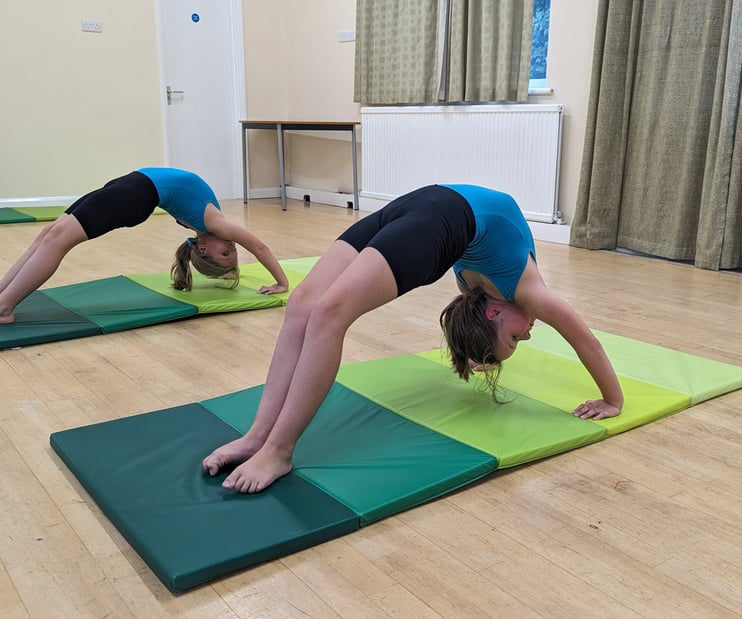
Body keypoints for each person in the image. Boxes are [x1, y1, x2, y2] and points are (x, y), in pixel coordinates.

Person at [202, 184, 624, 493]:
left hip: (422, 202)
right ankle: (270, 445)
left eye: (518, 337)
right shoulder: (531, 293)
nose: (529, 331)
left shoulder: (475, 292)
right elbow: (587, 342)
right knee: (318, 310)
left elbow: (473, 320)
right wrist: (612, 399)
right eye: (517, 338)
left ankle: (265, 441)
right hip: (435, 216)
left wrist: (476, 351)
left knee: (310, 307)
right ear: (493, 311)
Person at [0, 167, 289, 324]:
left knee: (57, 241)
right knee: (48, 235)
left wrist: (281, 283)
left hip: (135, 195)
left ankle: (5, 307)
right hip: (131, 185)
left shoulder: (214, 225)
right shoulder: (212, 224)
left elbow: (260, 248)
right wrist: (232, 271)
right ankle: (3, 293)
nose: (233, 246)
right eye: (232, 251)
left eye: (225, 253)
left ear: (203, 249)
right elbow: (256, 248)